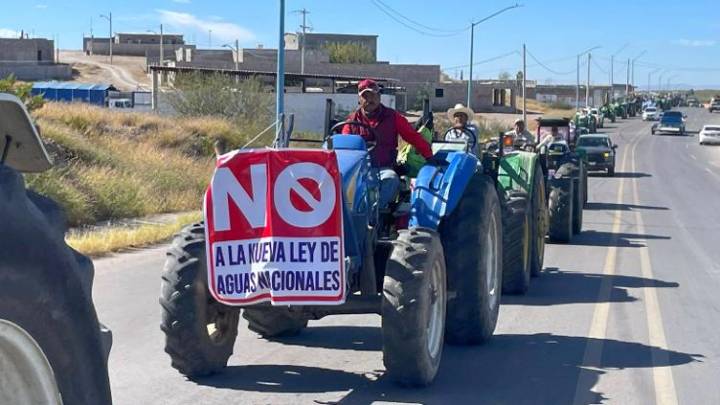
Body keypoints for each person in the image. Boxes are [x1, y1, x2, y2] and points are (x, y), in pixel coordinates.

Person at [341, 79, 434, 209]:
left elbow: (413, 137)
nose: (370, 99)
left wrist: (429, 156)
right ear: (359, 99)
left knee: (391, 179)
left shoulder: (393, 117)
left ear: (379, 97)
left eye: (373, 95)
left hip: (383, 168)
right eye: (365, 96)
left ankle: (374, 215)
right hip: (359, 170)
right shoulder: (352, 121)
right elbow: (343, 146)